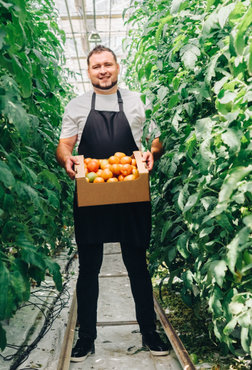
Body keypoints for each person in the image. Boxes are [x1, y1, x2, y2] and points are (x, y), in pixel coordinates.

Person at [56, 45, 169, 362]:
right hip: (92, 191)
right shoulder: (77, 106)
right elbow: (64, 146)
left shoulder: (135, 102)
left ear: (117, 67)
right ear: (88, 71)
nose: (102, 70)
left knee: (137, 265)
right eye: (96, 66)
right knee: (89, 268)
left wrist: (153, 153)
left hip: (130, 191)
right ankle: (85, 338)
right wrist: (67, 160)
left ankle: (150, 333)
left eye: (107, 64)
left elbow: (157, 138)